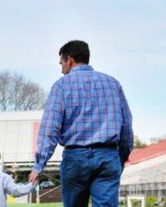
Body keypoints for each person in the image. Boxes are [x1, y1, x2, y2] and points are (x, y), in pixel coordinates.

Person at [29, 40, 133, 207]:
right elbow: (126, 125)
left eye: (61, 63)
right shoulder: (113, 84)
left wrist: (39, 164)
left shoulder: (61, 86)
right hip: (107, 157)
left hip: (75, 158)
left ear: (69, 60)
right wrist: (121, 157)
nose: (61, 68)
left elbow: (50, 128)